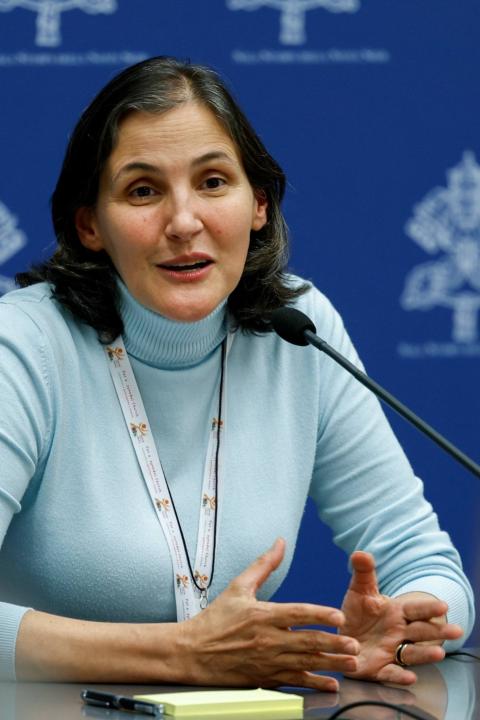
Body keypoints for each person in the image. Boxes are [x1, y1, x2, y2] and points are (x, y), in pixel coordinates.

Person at [0, 56, 473, 688]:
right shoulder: (26, 344)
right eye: (143, 190)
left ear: (259, 204)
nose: (185, 222)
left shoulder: (297, 329)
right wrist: (182, 653)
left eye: (214, 182)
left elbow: (425, 561)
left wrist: (407, 624)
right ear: (90, 224)